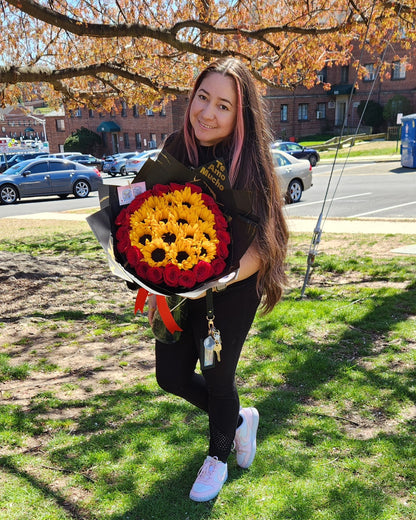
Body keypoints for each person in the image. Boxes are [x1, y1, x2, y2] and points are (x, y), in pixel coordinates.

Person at [147, 57, 289, 502]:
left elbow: (265, 246)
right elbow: (149, 219)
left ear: (240, 115)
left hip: (232, 289)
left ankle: (218, 457)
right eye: (202, 98)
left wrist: (218, 280)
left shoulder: (250, 164)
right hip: (177, 285)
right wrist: (152, 285)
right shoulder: (175, 146)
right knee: (169, 376)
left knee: (218, 373)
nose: (208, 113)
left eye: (223, 105)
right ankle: (240, 420)